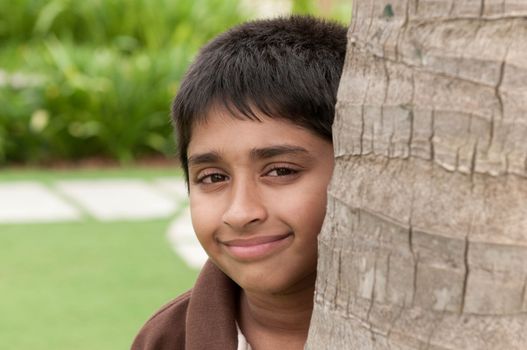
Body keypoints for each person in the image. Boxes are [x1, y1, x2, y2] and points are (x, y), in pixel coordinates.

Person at [131, 15, 347, 350]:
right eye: (213, 177)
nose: (240, 212)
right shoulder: (165, 340)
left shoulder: (437, 327)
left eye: (280, 171)